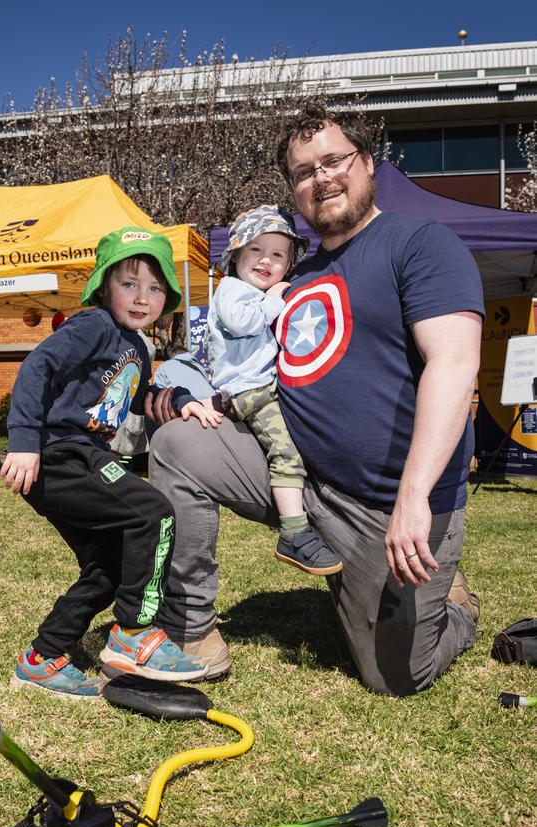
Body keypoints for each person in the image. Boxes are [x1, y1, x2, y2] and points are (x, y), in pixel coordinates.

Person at [146, 104, 483, 696]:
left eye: (334, 160)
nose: (321, 177)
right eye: (304, 171)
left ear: (367, 165)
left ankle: (455, 608)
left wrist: (413, 498)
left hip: (389, 506)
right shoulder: (286, 276)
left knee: (398, 677)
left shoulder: (421, 243)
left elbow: (454, 365)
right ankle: (192, 629)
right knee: (177, 445)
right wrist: (183, 395)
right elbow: (232, 357)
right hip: (298, 481)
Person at [0, 227, 221, 699]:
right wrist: (23, 441)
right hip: (62, 454)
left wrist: (180, 399)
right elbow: (37, 366)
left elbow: (141, 397)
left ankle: (43, 658)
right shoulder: (93, 325)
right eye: (129, 284)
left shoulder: (137, 346)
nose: (143, 297)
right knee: (154, 511)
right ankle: (135, 636)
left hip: (83, 457)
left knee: (110, 569)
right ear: (104, 286)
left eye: (156, 287)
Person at [206, 204, 342, 575]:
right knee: (286, 455)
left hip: (265, 385)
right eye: (256, 250)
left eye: (278, 254)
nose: (266, 260)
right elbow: (243, 322)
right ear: (234, 256)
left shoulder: (250, 291)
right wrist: (273, 300)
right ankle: (294, 532)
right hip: (253, 391)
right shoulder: (232, 291)